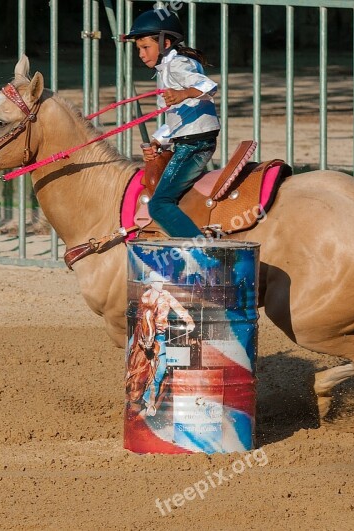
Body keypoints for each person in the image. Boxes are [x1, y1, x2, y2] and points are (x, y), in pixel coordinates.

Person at [123, 9, 220, 238]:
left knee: (159, 205)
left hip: (194, 145)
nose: (141, 54)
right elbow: (180, 115)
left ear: (165, 42)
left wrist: (184, 92)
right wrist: (160, 139)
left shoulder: (177, 64)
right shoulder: (167, 68)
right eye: (138, 49)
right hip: (188, 139)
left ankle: (202, 252)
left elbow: (209, 86)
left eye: (145, 47)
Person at [139, 271, 195, 416]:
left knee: (161, 367)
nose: (161, 284)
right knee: (131, 357)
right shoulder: (145, 297)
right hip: (143, 333)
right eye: (158, 282)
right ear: (152, 284)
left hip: (160, 336)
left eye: (162, 282)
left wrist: (189, 321)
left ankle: (149, 400)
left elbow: (179, 309)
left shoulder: (167, 296)